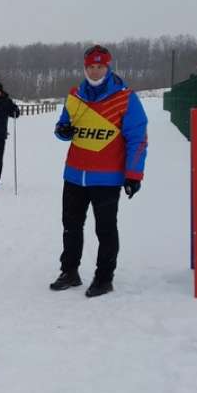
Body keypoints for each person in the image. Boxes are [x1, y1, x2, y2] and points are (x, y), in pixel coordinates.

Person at [49, 45, 148, 298]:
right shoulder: (74, 95)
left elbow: (138, 138)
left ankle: (104, 278)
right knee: (71, 226)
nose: (95, 71)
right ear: (85, 68)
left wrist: (134, 174)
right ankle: (69, 271)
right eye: (90, 67)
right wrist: (62, 131)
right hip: (74, 175)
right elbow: (63, 125)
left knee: (105, 229)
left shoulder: (125, 97)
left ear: (108, 66)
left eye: (99, 66)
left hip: (107, 177)